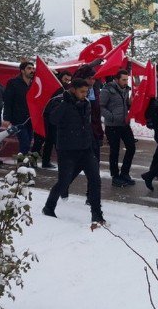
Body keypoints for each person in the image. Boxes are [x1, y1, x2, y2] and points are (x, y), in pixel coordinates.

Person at [42, 79, 105, 226]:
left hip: (85, 149)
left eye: (87, 92)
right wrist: (66, 103)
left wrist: (92, 142)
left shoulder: (86, 104)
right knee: (64, 182)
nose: (85, 95)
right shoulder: (60, 102)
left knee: (95, 180)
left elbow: (87, 125)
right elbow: (53, 119)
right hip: (67, 150)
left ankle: (97, 215)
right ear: (73, 90)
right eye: (82, 92)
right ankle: (49, 207)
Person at [100, 69, 136, 187]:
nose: (126, 82)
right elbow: (100, 106)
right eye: (123, 79)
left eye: (127, 79)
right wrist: (112, 117)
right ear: (116, 79)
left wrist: (131, 104)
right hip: (112, 126)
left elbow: (125, 105)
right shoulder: (107, 90)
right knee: (114, 151)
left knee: (131, 147)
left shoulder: (126, 89)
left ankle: (125, 173)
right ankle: (115, 176)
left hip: (124, 124)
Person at [3, 61, 34, 154]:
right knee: (24, 142)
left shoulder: (35, 83)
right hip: (18, 118)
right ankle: (21, 165)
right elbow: (8, 101)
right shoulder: (13, 83)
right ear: (22, 71)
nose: (32, 70)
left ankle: (23, 163)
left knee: (28, 142)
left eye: (33, 68)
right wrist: (6, 118)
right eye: (29, 68)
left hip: (31, 119)